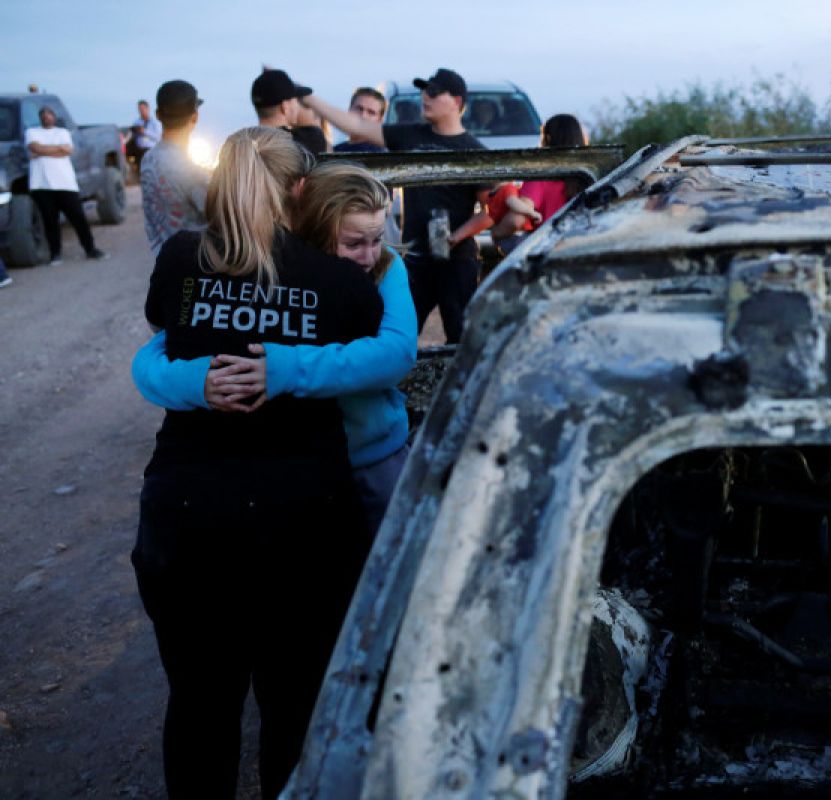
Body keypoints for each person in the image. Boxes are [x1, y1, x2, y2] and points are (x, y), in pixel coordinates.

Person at [132, 126, 382, 799]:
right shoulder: (338, 280)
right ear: (300, 189)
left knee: (199, 704)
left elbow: (162, 331)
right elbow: (378, 341)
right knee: (295, 708)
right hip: (303, 518)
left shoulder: (182, 258)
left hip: (187, 516)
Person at [132, 161, 417, 534]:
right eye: (353, 243)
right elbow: (158, 351)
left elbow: (396, 354)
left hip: (373, 454)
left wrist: (286, 369)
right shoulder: (284, 272)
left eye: (377, 238)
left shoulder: (386, 267)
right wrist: (196, 381)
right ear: (315, 230)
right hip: (296, 468)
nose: (369, 255)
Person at [300, 67, 494, 344]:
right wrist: (308, 98)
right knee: (396, 333)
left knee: (461, 340)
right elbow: (356, 127)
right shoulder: (411, 135)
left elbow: (491, 211)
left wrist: (457, 236)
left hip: (457, 261)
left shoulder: (475, 150)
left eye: (435, 92)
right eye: (424, 90)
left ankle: (456, 387)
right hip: (415, 258)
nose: (425, 97)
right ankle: (398, 383)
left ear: (457, 102)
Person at [490, 114, 589, 252]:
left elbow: (516, 219)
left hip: (547, 250)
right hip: (582, 247)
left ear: (547, 139)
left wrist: (497, 233)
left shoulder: (541, 176)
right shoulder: (589, 175)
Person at [25, 106, 106, 263]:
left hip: (65, 184)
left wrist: (42, 151)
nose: (47, 117)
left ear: (54, 117)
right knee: (50, 221)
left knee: (78, 218)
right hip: (42, 185)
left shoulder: (62, 133)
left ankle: (90, 249)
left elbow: (67, 150)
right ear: (40, 117)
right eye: (44, 115)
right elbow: (34, 147)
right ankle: (55, 254)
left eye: (49, 114)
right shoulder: (32, 132)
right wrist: (57, 149)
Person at [140, 80, 211, 256]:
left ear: (157, 114)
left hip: (162, 262)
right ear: (195, 117)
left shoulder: (147, 159)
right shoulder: (191, 171)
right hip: (191, 267)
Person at [251, 68, 326, 156]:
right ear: (285, 107)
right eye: (296, 100)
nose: (297, 105)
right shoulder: (306, 140)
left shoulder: (243, 142)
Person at [332, 87, 387, 153]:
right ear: (349, 111)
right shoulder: (335, 150)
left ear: (380, 120)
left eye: (371, 112)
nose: (363, 116)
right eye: (359, 109)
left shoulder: (382, 155)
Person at [127, 99, 163, 173]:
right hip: (139, 150)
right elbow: (131, 134)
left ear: (148, 109)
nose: (141, 111)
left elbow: (158, 137)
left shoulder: (155, 123)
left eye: (142, 109)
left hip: (150, 149)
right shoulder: (137, 122)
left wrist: (145, 132)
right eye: (139, 109)